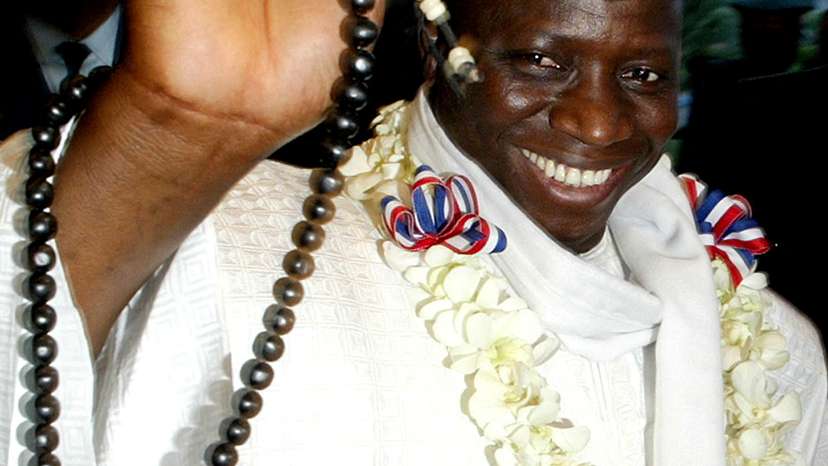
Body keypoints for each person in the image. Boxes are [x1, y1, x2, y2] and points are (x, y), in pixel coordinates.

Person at [0, 1, 825, 465]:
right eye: (540, 61)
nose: (599, 123)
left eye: (642, 75)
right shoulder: (238, 231)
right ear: (439, 49)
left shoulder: (774, 347)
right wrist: (174, 130)